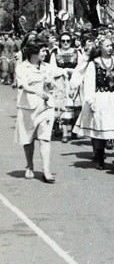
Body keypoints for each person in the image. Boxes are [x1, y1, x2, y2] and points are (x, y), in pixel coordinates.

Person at [73, 35, 114, 171]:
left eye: (111, 46)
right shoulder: (94, 63)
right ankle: (100, 157)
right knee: (100, 129)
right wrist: (90, 100)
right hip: (100, 98)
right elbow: (90, 82)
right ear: (100, 47)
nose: (110, 48)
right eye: (107, 46)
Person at [15, 36, 60, 183]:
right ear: (34, 52)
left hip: (45, 107)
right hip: (27, 107)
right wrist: (36, 91)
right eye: (43, 51)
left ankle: (46, 170)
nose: (45, 53)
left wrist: (51, 85)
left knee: (44, 139)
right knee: (28, 140)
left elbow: (52, 83)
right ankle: (29, 165)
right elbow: (23, 85)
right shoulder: (22, 67)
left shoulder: (47, 67)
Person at [53, 32, 83, 143]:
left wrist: (74, 73)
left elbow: (81, 67)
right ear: (60, 42)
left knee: (76, 108)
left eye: (68, 41)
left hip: (74, 82)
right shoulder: (55, 53)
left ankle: (74, 131)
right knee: (64, 107)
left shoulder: (77, 52)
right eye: (63, 41)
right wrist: (63, 71)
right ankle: (65, 133)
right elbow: (52, 68)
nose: (65, 43)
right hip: (61, 82)